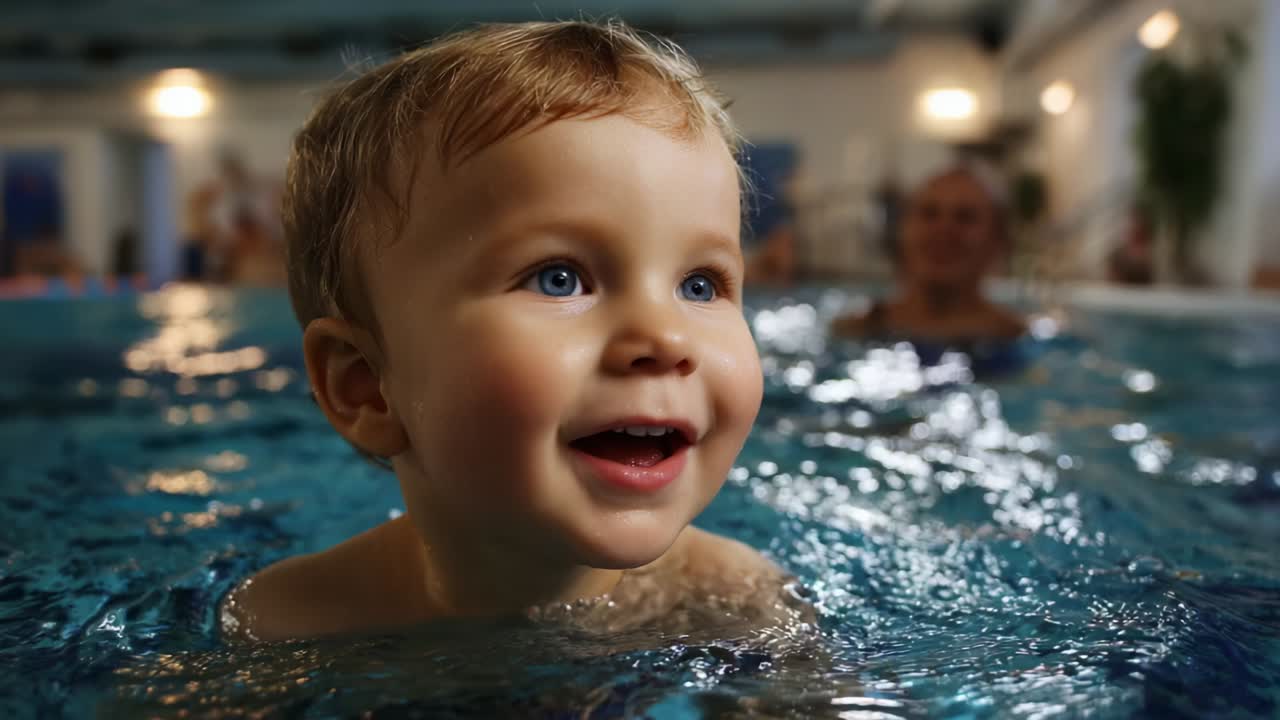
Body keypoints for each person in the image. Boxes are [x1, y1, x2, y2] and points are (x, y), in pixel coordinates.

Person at [220, 20, 801, 643]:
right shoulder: (284, 626)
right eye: (559, 278)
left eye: (700, 285)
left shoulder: (739, 604)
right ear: (366, 385)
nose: (666, 338)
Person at [832, 163, 1026, 342]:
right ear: (903, 230)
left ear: (997, 241)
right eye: (929, 214)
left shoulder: (1016, 336)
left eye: (965, 217)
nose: (943, 231)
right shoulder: (853, 329)